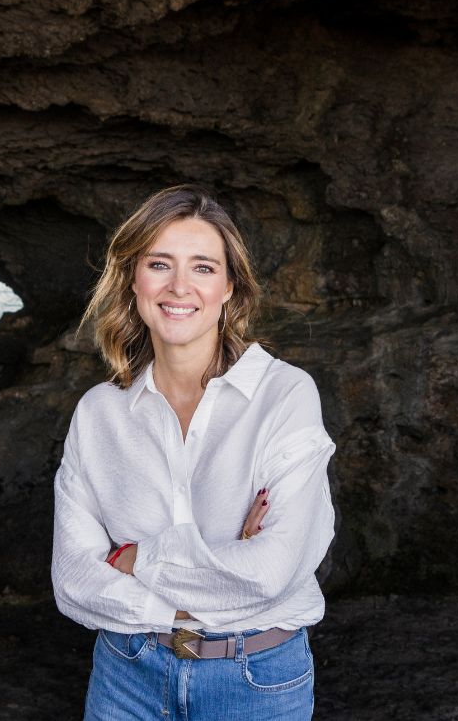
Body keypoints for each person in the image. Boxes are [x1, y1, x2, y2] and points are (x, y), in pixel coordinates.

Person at [50, 184, 337, 719]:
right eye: (160, 263)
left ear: (230, 287)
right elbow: (72, 582)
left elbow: (271, 572)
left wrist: (132, 559)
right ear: (133, 278)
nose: (180, 286)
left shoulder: (285, 395)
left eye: (203, 267)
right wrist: (222, 569)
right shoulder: (99, 413)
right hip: (125, 675)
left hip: (255, 680)